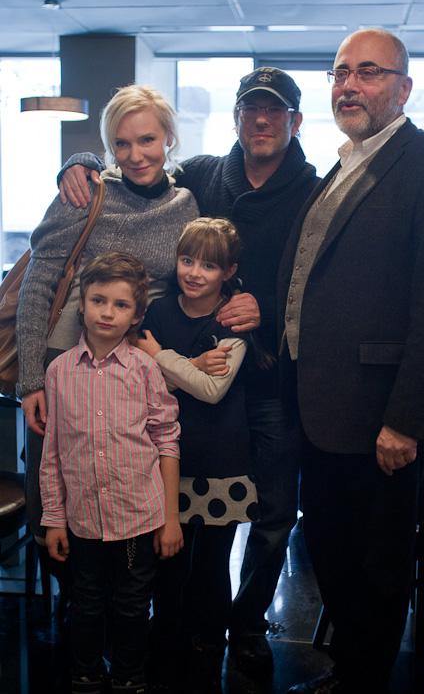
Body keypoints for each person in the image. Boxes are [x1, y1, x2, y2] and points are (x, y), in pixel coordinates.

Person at [57, 67, 320, 672]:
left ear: (295, 121)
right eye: (250, 108)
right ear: (236, 116)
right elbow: (136, 165)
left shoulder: (314, 189)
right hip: (188, 380)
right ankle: (172, 623)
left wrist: (264, 306)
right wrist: (80, 160)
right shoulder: (202, 175)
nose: (260, 120)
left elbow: (322, 280)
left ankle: (245, 623)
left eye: (274, 111)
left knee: (274, 514)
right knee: (176, 512)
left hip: (266, 376)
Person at [278, 29, 424, 694]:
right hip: (319, 406)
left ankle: (362, 682)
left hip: (381, 417)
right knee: (330, 549)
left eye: (367, 72)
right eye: (339, 73)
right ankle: (347, 670)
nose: (348, 86)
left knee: (377, 567)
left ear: (403, 88)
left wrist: (406, 421)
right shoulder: (342, 164)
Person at [15, 83, 199, 590]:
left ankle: (125, 611)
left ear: (169, 139)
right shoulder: (87, 194)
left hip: (136, 363)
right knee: (55, 490)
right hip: (65, 360)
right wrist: (31, 380)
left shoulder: (186, 205)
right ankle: (71, 610)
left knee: (123, 486)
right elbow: (38, 285)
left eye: (147, 140)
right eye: (121, 143)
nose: (135, 155)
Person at [40, 252, 182, 694]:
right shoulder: (58, 372)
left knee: (132, 604)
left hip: (138, 518)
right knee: (85, 602)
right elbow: (52, 453)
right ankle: (84, 674)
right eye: (98, 300)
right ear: (81, 303)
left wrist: (171, 518)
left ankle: (129, 676)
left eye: (121, 305)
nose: (107, 312)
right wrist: (54, 518)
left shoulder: (146, 369)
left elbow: (167, 441)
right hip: (82, 520)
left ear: (136, 315)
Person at [138, 217, 259, 693]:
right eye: (187, 260)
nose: (194, 272)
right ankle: (166, 642)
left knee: (211, 566)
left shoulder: (233, 320)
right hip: (164, 460)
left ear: (228, 272)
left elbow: (212, 390)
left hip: (219, 461)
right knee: (168, 564)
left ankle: (209, 646)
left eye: (208, 266)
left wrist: (162, 359)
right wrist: (188, 366)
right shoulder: (158, 311)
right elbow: (140, 381)